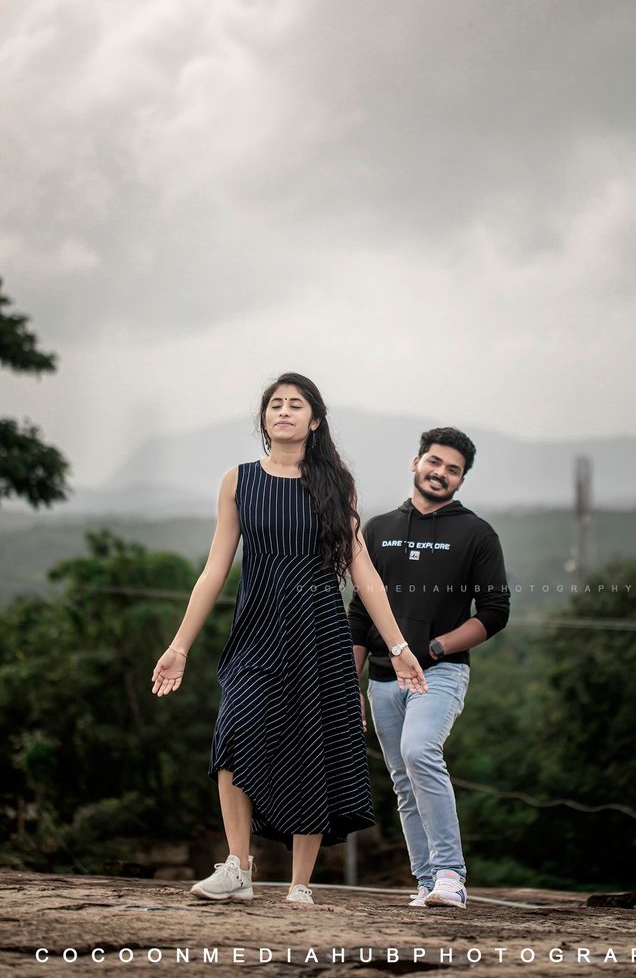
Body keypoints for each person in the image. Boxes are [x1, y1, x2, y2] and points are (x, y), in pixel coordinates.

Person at [150, 372, 428, 906]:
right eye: (274, 404)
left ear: (314, 420)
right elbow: (213, 570)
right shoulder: (238, 480)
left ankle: (301, 885)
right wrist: (178, 645)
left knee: (311, 746)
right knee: (234, 729)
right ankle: (238, 866)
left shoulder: (334, 484)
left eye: (295, 404)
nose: (283, 411)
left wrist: (397, 647)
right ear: (264, 419)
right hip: (255, 626)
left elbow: (362, 570)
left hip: (318, 628)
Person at [348, 427, 510, 910]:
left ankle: (450, 875)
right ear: (416, 462)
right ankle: (425, 882)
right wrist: (347, 684)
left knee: (420, 753)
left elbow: (495, 612)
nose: (441, 473)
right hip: (380, 679)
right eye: (434, 462)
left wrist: (435, 648)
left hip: (440, 673)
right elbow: (359, 613)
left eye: (453, 469)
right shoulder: (377, 529)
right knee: (402, 778)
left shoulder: (476, 534)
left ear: (461, 479)